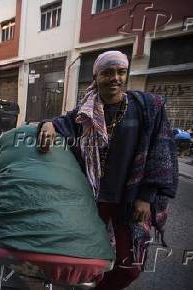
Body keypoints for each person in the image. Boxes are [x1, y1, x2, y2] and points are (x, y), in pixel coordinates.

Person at [38, 51, 178, 290]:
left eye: (120, 72)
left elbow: (161, 152)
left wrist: (146, 197)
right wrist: (49, 124)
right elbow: (63, 122)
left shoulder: (147, 107)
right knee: (87, 258)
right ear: (96, 77)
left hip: (130, 201)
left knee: (131, 267)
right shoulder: (86, 112)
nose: (115, 78)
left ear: (126, 75)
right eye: (107, 73)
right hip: (94, 200)